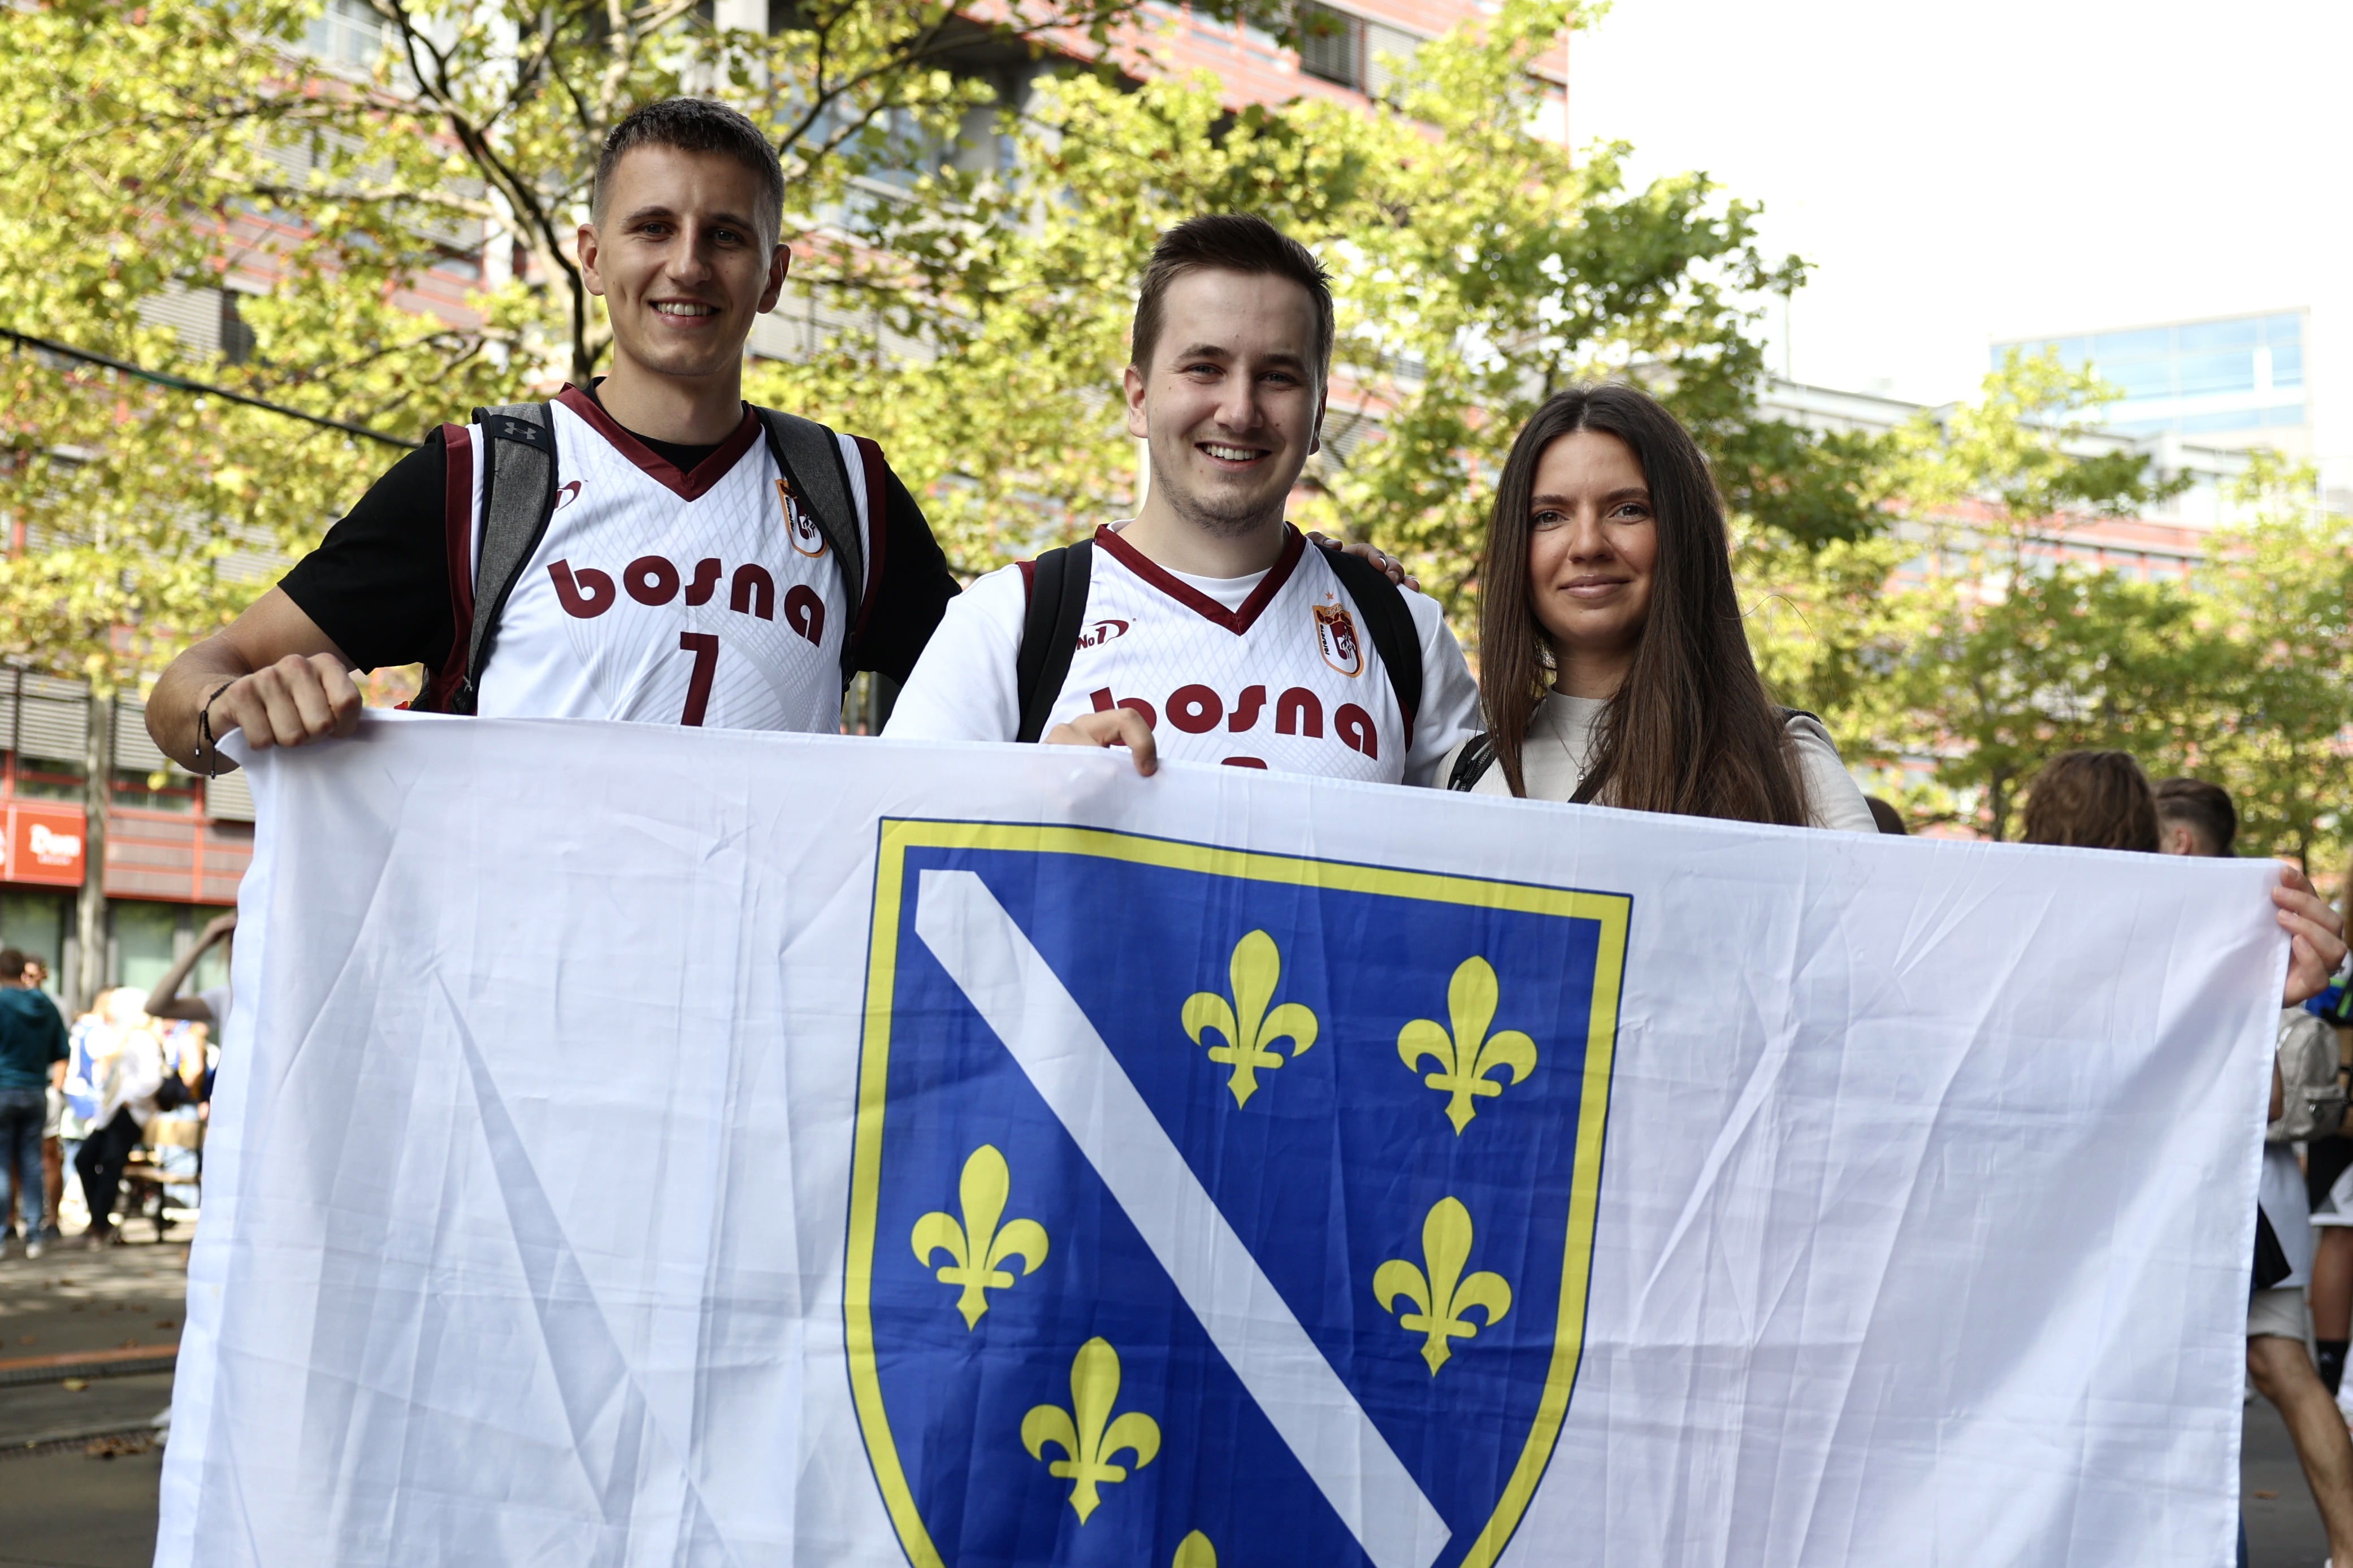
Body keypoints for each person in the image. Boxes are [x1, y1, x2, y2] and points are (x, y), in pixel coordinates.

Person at [144, 97, 961, 769]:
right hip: (517, 963)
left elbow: (999, 715)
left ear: (772, 275)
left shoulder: (850, 494)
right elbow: (186, 688)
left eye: (725, 234)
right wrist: (231, 709)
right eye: (651, 228)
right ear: (592, 258)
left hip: (762, 963)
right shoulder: (480, 479)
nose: (687, 265)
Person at [882, 214, 1479, 783]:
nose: (1239, 412)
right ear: (1139, 400)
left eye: (1277, 377)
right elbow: (888, 850)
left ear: (1318, 414)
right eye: (1203, 368)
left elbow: (1479, 872)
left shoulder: (1406, 632)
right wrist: (1023, 802)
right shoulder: (1004, 620)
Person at [2025, 755, 2353, 1562]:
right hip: (2187, 1214)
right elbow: (2265, 1096)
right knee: (2180, 1424)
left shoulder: (2016, 925)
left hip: (2056, 1218)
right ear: (2147, 833)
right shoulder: (2186, 936)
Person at [1438, 384, 1873, 828]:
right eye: (1548, 517)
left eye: (1628, 510)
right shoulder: (1462, 773)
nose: (1587, 544)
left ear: (1683, 533)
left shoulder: (1784, 763)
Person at [73, 991, 165, 1249]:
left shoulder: (140, 1039)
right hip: (113, 1113)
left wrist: (127, 1099)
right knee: (85, 1159)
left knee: (110, 1165)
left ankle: (100, 1226)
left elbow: (151, 1081)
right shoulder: (125, 1036)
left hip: (128, 1114)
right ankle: (99, 1222)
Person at [0, 947, 68, 1260]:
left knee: (3, 1165)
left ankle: (3, 1233)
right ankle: (35, 1234)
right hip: (35, 1092)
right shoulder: (47, 1006)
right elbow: (60, 1052)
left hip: (4, 1089)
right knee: (31, 1163)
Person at [147, 910, 235, 1044]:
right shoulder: (226, 997)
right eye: (232, 941)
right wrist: (203, 943)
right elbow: (156, 1007)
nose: (234, 950)